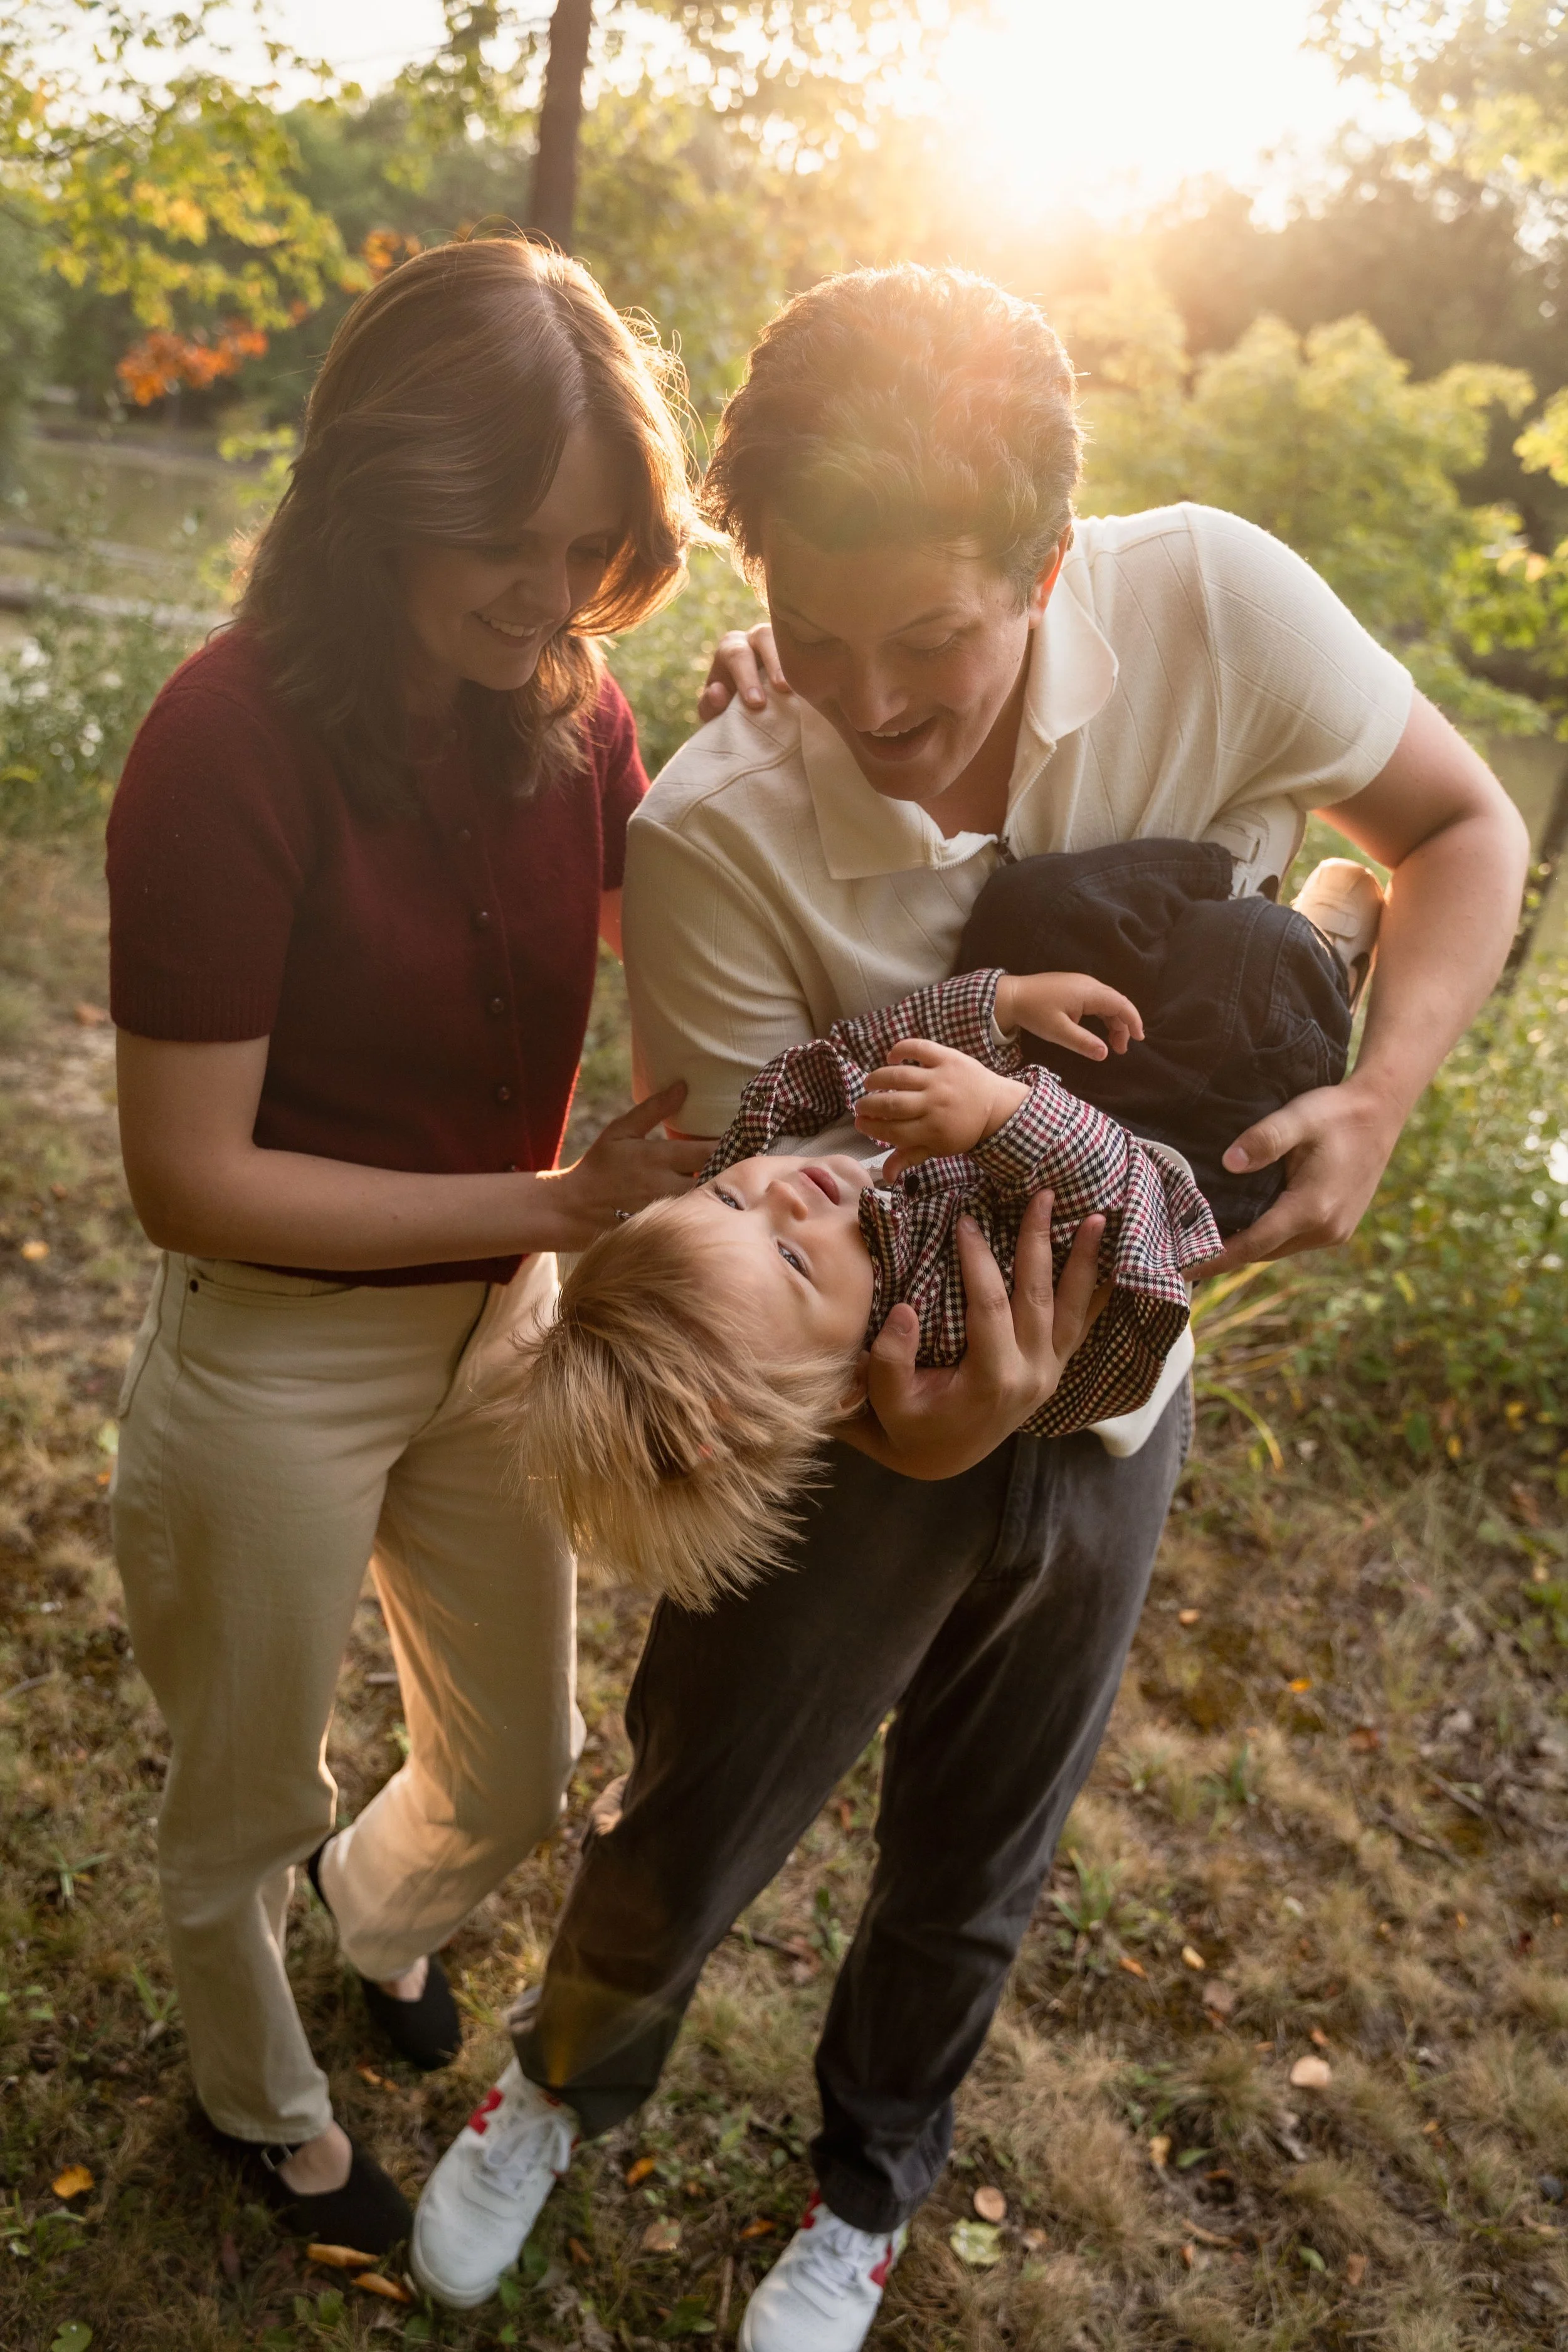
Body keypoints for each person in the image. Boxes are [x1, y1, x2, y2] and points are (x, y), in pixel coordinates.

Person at [410, 264, 1529, 2343]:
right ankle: (558, 2086)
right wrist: (912, 1423)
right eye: (814, 640)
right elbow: (773, 1177)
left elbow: (1467, 820)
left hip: (1114, 1375)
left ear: (1054, 559)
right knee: (700, 1788)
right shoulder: (715, 830)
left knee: (981, 1839)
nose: (879, 700)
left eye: (932, 636)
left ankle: (868, 2188)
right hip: (830, 1401)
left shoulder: (1224, 608)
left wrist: (1376, 1102)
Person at [105, 237, 739, 2252]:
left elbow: (689, 927)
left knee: (524, 1753)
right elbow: (189, 1176)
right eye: (510, 541)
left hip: (503, 1323)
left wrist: (764, 746)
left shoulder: (573, 704)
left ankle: (374, 1919)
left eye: (591, 547)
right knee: (241, 1799)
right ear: (382, 489)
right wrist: (550, 1202)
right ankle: (256, 2102)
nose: (554, 595)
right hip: (276, 1346)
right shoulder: (222, 745)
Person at [514, 850, 1379, 1609]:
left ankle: (1218, 867)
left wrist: (995, 1007)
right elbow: (1135, 1211)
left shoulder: (770, 1177)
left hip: (1064, 1098)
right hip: (1170, 1181)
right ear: (850, 1386)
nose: (787, 1196)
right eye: (789, 1257)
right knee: (1253, 974)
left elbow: (842, 1061)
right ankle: (1318, 968)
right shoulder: (943, 1319)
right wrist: (1001, 1115)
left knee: (1034, 905)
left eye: (724, 1203)